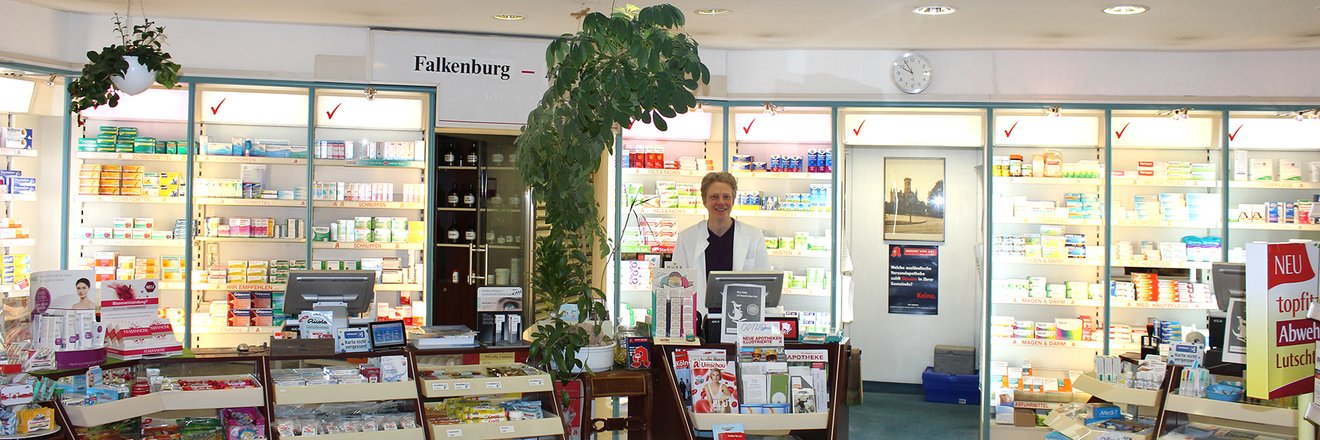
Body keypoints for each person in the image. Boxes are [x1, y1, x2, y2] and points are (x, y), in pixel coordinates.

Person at [673, 172, 771, 314]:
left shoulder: (754, 236)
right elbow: (677, 288)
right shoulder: (687, 238)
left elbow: (766, 287)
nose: (721, 202)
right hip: (700, 320)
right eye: (714, 197)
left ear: (733, 200)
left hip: (742, 319)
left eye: (726, 197)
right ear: (704, 201)